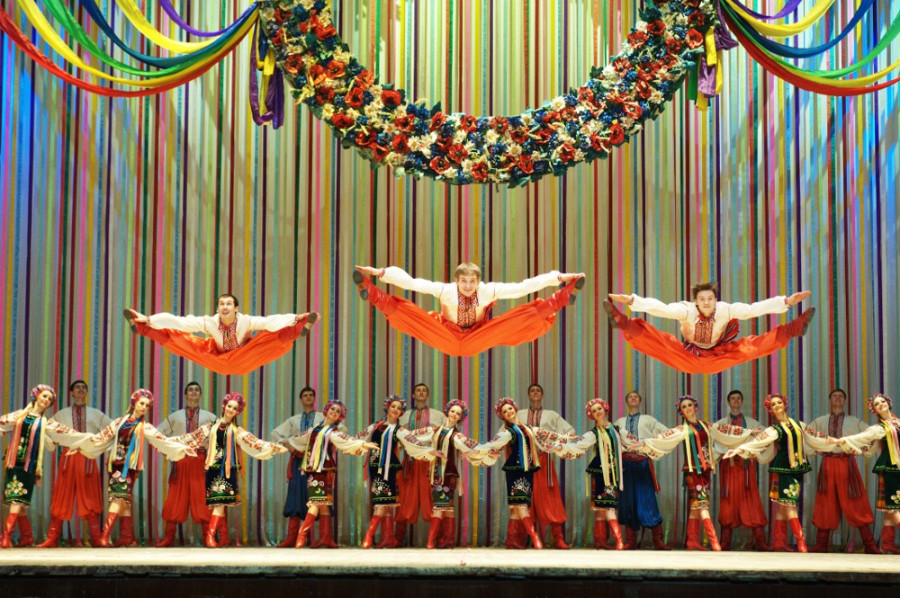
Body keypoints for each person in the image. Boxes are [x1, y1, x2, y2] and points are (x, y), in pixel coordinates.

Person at [352, 263, 585, 357]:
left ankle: (562, 297)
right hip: (446, 333)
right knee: (411, 316)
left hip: (478, 334)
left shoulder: (488, 291)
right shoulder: (445, 290)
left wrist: (559, 277)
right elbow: (412, 283)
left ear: (478, 281)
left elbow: (523, 287)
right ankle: (372, 292)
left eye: (472, 281)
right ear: (456, 280)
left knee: (517, 319)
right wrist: (382, 273)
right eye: (463, 281)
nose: (467, 286)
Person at [70, 389, 197, 547]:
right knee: (123, 500)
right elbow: (100, 438)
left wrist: (182, 448)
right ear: (134, 403)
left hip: (128, 468)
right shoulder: (119, 422)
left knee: (118, 498)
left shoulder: (145, 427)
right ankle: (126, 537)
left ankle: (105, 536)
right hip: (116, 465)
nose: (144, 407)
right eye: (141, 403)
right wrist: (80, 447)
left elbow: (163, 440)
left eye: (147, 405)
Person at [604, 282, 814, 375]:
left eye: (710, 299)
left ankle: (792, 329)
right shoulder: (686, 310)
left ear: (715, 300)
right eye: (702, 299)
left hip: (718, 354)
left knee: (750, 347)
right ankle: (623, 322)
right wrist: (633, 300)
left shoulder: (726, 309)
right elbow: (662, 309)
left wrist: (786, 301)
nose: (706, 303)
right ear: (695, 301)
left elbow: (753, 309)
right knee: (661, 342)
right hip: (688, 355)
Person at [722, 393, 843, 552]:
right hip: (782, 469)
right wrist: (740, 449)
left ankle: (779, 542)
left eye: (779, 402)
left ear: (785, 404)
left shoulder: (799, 424)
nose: (777, 405)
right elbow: (758, 442)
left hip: (797, 469)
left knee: (782, 506)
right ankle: (801, 542)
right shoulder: (774, 429)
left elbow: (815, 436)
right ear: (770, 410)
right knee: (789, 504)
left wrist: (835, 442)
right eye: (773, 404)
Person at [637, 395, 757, 551]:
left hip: (705, 470)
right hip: (692, 471)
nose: (687, 408)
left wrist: (749, 432)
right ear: (681, 412)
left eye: (689, 405)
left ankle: (692, 541)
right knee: (702, 505)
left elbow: (728, 431)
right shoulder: (682, 430)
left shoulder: (707, 426)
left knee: (696, 507)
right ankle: (714, 542)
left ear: (695, 407)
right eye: (684, 407)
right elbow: (661, 439)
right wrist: (641, 445)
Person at [174, 392, 287, 547]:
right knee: (217, 504)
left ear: (237, 412)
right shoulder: (210, 426)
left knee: (220, 504)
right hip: (212, 469)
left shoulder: (237, 430)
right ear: (224, 406)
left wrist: (273, 447)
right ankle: (221, 537)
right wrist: (169, 442)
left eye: (234, 408)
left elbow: (255, 442)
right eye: (229, 406)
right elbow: (192, 438)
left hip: (227, 470)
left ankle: (210, 537)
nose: (231, 410)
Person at [469, 398, 574, 550]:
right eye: (504, 411)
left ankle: (512, 541)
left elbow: (548, 435)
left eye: (510, 409)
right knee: (520, 504)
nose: (508, 412)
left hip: (527, 470)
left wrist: (567, 439)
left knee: (518, 506)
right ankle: (534, 537)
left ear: (515, 409)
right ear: (502, 416)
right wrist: (475, 450)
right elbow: (492, 444)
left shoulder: (529, 429)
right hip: (515, 470)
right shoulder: (507, 432)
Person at [123, 294, 318, 375]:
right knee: (181, 339)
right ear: (217, 308)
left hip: (244, 358)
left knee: (270, 336)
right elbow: (180, 322)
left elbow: (270, 321)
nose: (225, 307)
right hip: (217, 359)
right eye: (221, 304)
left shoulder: (246, 321)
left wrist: (295, 318)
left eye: (229, 304)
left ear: (236, 308)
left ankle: (298, 328)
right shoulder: (209, 322)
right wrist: (149, 319)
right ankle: (143, 328)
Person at [0, 385, 92, 548]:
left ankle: (6, 537)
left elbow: (67, 433)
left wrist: (86, 437)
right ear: (36, 396)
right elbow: (2, 423)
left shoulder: (47, 423)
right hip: (13, 462)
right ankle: (27, 537)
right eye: (44, 396)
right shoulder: (19, 415)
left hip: (28, 466)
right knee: (17, 501)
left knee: (16, 500)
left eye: (50, 399)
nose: (46, 400)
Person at [285, 400, 377, 548]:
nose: (334, 412)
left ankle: (304, 534)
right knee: (322, 503)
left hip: (325, 470)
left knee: (317, 502)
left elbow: (348, 441)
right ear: (327, 410)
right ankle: (324, 537)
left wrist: (363, 444)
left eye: (338, 411)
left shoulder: (334, 432)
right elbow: (299, 439)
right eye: (332, 409)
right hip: (313, 469)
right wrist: (284, 443)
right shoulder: (314, 429)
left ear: (339, 417)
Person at [356, 395, 441, 549]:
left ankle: (369, 536)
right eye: (393, 406)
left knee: (382, 503)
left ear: (402, 412)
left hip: (390, 469)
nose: (396, 409)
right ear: (388, 407)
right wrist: (362, 445)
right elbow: (359, 438)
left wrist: (430, 451)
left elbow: (414, 444)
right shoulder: (375, 426)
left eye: (399, 408)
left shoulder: (400, 430)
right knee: (385, 503)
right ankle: (387, 539)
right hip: (375, 466)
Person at [557, 398, 641, 550]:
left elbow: (633, 442)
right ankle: (617, 541)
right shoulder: (593, 433)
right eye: (594, 411)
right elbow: (579, 445)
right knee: (606, 508)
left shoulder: (617, 430)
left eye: (599, 409)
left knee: (604, 508)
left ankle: (600, 541)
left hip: (613, 473)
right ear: (591, 415)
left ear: (605, 409)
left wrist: (647, 445)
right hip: (600, 472)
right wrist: (560, 446)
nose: (597, 412)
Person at [37, 380, 113, 548]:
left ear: (86, 392)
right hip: (68, 458)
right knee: (61, 496)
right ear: (71, 392)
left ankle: (97, 539)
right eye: (77, 387)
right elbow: (45, 429)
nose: (81, 389)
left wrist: (102, 448)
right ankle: (52, 539)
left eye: (83, 387)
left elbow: (112, 430)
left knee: (90, 497)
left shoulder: (96, 414)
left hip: (87, 458)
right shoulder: (62, 414)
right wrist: (53, 443)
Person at [806, 388, 879, 553]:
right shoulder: (821, 421)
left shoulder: (854, 422)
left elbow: (871, 433)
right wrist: (817, 448)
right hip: (828, 463)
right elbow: (807, 435)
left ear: (844, 400)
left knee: (855, 501)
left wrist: (858, 447)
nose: (838, 398)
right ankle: (821, 545)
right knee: (825, 501)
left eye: (840, 396)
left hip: (847, 464)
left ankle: (870, 544)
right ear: (830, 400)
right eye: (835, 396)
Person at [834, 394, 900, 554]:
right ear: (874, 410)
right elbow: (862, 437)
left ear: (889, 403)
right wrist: (844, 440)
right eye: (877, 404)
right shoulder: (879, 428)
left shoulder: (897, 422)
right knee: (895, 506)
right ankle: (887, 544)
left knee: (891, 508)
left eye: (883, 401)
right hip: (891, 468)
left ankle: (887, 544)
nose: (881, 404)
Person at [154, 381, 217, 547]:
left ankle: (208, 537)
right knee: (175, 498)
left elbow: (222, 435)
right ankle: (168, 538)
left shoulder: (210, 417)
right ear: (185, 395)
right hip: (181, 461)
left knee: (202, 497)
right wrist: (169, 449)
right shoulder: (175, 417)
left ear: (200, 394)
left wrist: (209, 446)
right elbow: (157, 433)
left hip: (200, 461)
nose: (193, 392)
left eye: (197, 390)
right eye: (190, 390)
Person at [410, 399, 479, 549]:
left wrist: (476, 452)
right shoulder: (433, 430)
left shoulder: (457, 436)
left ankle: (431, 541)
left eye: (458, 413)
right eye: (452, 411)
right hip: (436, 472)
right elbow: (412, 437)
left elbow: (472, 445)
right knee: (447, 508)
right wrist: (429, 451)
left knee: (440, 506)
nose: (454, 414)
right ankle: (447, 541)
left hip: (448, 474)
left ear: (460, 418)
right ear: (447, 411)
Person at [517, 383, 575, 549]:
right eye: (532, 390)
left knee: (551, 498)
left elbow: (570, 432)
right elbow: (505, 433)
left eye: (538, 391)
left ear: (542, 395)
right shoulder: (519, 414)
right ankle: (522, 539)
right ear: (528, 395)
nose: (535, 393)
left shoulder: (552, 415)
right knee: (523, 498)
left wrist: (554, 444)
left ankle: (558, 538)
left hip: (544, 462)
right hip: (524, 463)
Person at [612, 390, 670, 550]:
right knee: (627, 502)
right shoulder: (619, 422)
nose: (633, 398)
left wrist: (649, 445)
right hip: (625, 465)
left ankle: (658, 541)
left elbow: (665, 432)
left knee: (647, 500)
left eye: (636, 397)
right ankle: (631, 541)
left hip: (642, 463)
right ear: (626, 401)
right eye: (630, 397)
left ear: (640, 401)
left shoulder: (648, 419)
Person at [713, 389, 769, 551]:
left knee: (750, 499)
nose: (736, 401)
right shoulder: (720, 424)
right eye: (733, 398)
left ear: (742, 401)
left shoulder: (752, 424)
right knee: (728, 499)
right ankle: (725, 542)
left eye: (738, 398)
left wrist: (753, 450)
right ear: (728, 402)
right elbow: (714, 442)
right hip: (729, 467)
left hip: (746, 467)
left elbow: (766, 436)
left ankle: (761, 542)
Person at [270, 386, 324, 547]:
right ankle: (292, 538)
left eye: (311, 395)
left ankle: (312, 538)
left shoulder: (322, 417)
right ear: (301, 399)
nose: (308, 397)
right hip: (298, 462)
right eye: (305, 395)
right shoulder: (294, 420)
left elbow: (338, 431)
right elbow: (275, 433)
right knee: (295, 496)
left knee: (314, 496)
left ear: (314, 398)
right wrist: (289, 447)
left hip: (315, 463)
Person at [395, 382, 446, 546]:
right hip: (409, 462)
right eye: (418, 390)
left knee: (432, 497)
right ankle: (397, 538)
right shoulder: (403, 415)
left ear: (428, 395)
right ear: (413, 395)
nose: (421, 393)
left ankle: (438, 539)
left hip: (429, 462)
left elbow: (445, 436)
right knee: (405, 498)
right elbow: (397, 438)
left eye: (424, 390)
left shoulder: (438, 416)